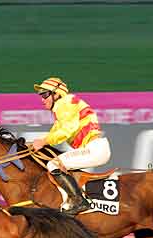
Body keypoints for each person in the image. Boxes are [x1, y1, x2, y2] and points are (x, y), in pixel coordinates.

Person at [30, 77, 111, 215]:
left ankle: (79, 201)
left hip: (94, 149)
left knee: (54, 165)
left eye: (45, 95)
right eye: (40, 96)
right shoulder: (64, 108)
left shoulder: (63, 103)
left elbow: (67, 130)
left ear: (56, 94)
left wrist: (43, 142)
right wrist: (35, 144)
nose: (42, 100)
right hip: (94, 148)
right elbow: (54, 133)